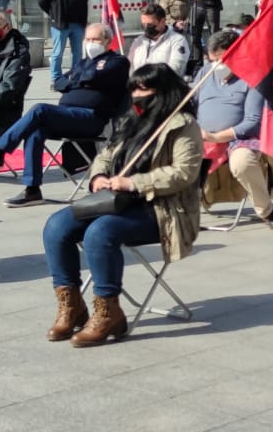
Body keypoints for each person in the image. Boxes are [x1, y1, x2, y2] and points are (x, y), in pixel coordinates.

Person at [41, 64, 202, 346]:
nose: (137, 95)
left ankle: (108, 310)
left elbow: (183, 173)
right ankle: (71, 305)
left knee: (100, 232)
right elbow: (106, 154)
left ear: (163, 92)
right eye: (134, 89)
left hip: (161, 209)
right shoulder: (131, 119)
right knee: (56, 225)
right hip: (115, 201)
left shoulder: (183, 125)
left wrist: (134, 183)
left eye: (144, 89)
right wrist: (99, 176)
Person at [0, 23, 130, 207]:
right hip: (67, 116)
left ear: (107, 41)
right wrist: (79, 80)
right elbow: (59, 82)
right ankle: (32, 190)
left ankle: (1, 148)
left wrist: (75, 80)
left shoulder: (117, 61)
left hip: (91, 118)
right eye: (88, 39)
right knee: (35, 131)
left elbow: (94, 77)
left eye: (96, 40)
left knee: (39, 109)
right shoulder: (83, 63)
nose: (91, 43)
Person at [196, 28, 273, 231]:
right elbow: (190, 104)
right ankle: (184, 212)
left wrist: (217, 136)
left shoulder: (253, 77)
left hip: (238, 138)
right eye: (212, 60)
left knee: (243, 162)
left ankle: (266, 210)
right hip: (201, 136)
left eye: (221, 59)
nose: (216, 65)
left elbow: (252, 122)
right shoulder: (205, 72)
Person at [38, 0, 89, 83]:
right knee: (57, 53)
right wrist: (55, 14)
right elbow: (42, 1)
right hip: (60, 25)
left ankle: (75, 77)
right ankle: (56, 79)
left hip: (78, 24)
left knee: (77, 53)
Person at [126, 5, 190, 75]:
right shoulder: (138, 42)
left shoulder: (177, 40)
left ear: (162, 21)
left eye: (150, 25)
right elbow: (129, 68)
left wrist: (147, 80)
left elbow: (176, 69)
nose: (146, 28)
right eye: (143, 24)